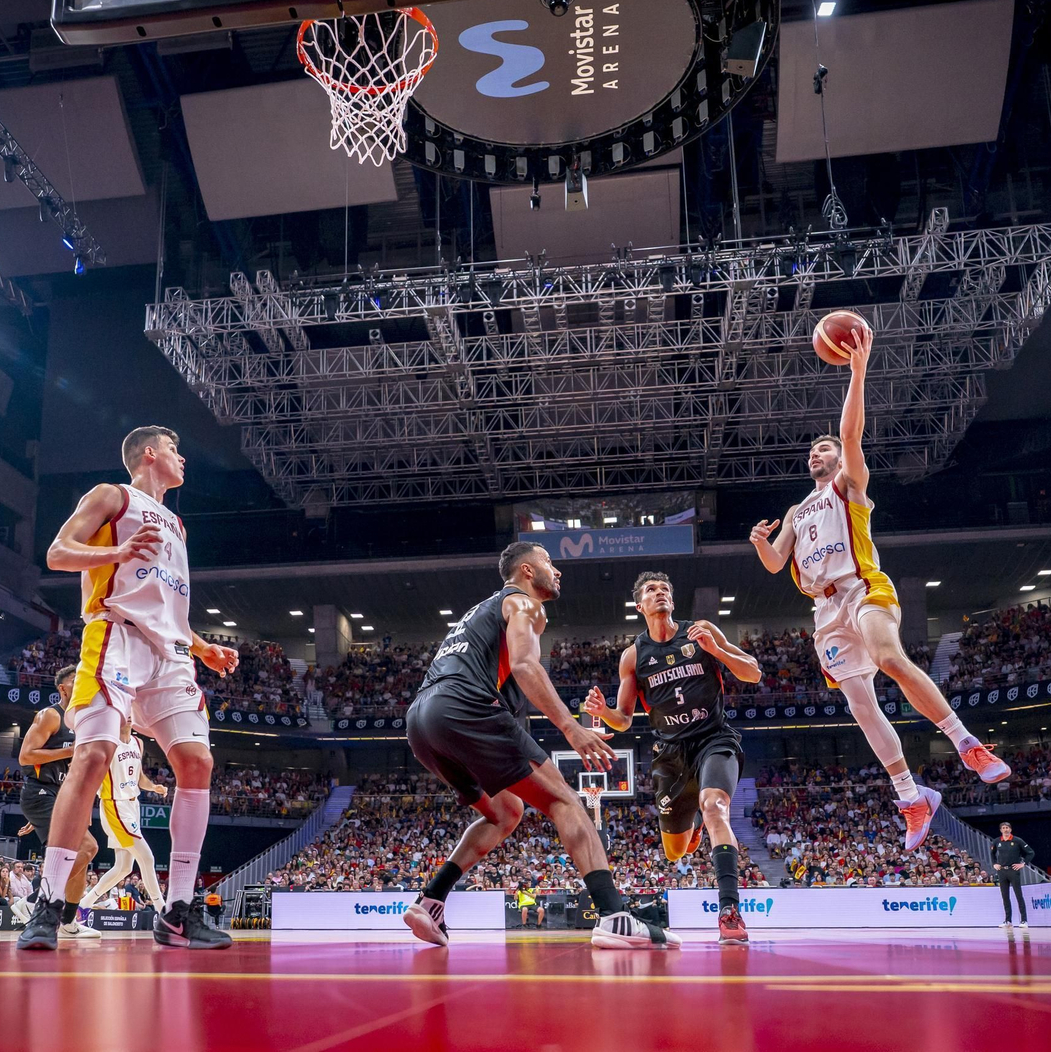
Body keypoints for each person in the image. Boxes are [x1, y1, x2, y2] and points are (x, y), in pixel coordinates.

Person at [748, 324, 1009, 849]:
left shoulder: (849, 484)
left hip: (861, 585)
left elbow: (850, 436)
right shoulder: (797, 510)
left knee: (890, 658)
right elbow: (777, 565)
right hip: (824, 613)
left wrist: (858, 372)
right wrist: (759, 542)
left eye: (824, 448)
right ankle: (912, 797)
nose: (817, 453)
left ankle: (965, 743)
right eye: (813, 452)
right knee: (862, 707)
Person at [18, 426, 237, 951]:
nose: (182, 458)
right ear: (149, 453)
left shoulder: (178, 526)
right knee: (92, 755)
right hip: (114, 636)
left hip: (171, 654)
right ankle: (48, 904)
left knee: (197, 763)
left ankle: (179, 912)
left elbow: (163, 601)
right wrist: (114, 553)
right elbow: (57, 553)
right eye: (174, 449)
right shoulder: (112, 496)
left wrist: (202, 645)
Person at [402, 541, 679, 950]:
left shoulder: (478, 614)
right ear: (527, 571)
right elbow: (525, 665)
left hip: (421, 723)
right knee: (566, 801)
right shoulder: (524, 603)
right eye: (549, 561)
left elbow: (508, 689)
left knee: (506, 812)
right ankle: (613, 916)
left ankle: (430, 900)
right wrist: (572, 728)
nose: (558, 570)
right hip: (462, 707)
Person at [584, 571, 762, 945]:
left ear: (672, 601)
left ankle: (730, 912)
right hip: (670, 756)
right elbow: (623, 719)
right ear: (640, 606)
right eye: (651, 590)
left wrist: (717, 650)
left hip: (713, 739)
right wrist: (602, 712)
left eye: (665, 588)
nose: (660, 593)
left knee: (715, 807)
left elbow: (752, 672)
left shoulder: (700, 630)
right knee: (675, 851)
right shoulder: (634, 655)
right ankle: (692, 821)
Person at [16, 667, 101, 940]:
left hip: (62, 795)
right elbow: (25, 756)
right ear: (63, 689)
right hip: (40, 792)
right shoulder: (50, 715)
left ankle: (67, 923)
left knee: (84, 857)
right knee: (89, 846)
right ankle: (33, 901)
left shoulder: (84, 721)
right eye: (77, 681)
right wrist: (70, 749)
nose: (83, 685)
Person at [83, 719, 168, 911]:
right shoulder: (108, 742)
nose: (128, 716)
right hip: (114, 805)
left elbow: (138, 778)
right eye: (123, 713)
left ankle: (83, 904)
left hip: (133, 805)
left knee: (123, 867)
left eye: (130, 713)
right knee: (147, 857)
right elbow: (93, 776)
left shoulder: (138, 742)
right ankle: (161, 909)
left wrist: (154, 787)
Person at [992, 822, 1033, 929]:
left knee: (1018, 895)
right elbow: (992, 854)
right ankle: (1008, 920)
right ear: (1000, 830)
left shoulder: (1017, 840)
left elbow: (1031, 852)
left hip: (1013, 870)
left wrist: (1023, 864)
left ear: (1010, 829)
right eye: (1003, 828)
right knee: (1005, 896)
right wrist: (994, 864)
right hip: (1002, 871)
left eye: (1007, 828)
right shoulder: (997, 841)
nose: (1005, 830)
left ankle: (1024, 920)